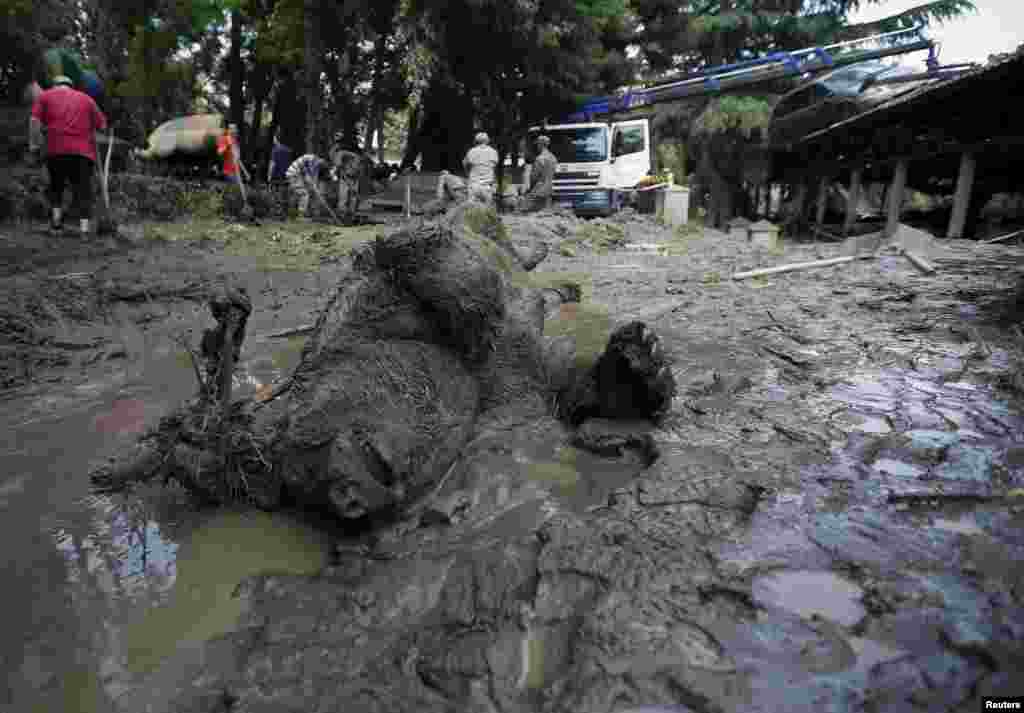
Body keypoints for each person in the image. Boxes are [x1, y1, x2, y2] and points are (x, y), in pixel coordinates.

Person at [28, 75, 107, 236]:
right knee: (83, 191)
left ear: (55, 85)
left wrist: (35, 146)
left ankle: (56, 225)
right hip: (83, 153)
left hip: (55, 150)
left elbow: (34, 121)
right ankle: (84, 230)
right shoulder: (87, 99)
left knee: (56, 187)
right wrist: (90, 126)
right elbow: (102, 125)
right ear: (71, 85)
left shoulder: (45, 96)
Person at [329, 134, 366, 219]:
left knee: (345, 196)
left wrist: (340, 175)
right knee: (350, 196)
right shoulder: (349, 153)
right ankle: (349, 213)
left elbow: (338, 166)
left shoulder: (340, 153)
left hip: (351, 175)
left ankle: (345, 214)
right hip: (351, 175)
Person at [285, 153, 330, 220]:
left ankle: (294, 214)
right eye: (324, 162)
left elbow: (313, 179)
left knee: (305, 193)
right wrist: (311, 184)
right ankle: (301, 216)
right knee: (304, 194)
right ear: (321, 158)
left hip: (299, 176)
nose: (323, 164)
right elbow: (306, 174)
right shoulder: (310, 158)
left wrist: (315, 188)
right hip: (294, 174)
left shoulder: (317, 165)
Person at [520, 134, 558, 212]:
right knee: (545, 212)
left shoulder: (539, 159)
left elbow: (534, 177)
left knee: (524, 210)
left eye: (538, 144)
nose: (537, 146)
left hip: (538, 190)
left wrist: (529, 190)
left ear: (541, 145)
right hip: (549, 189)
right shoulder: (553, 158)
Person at [462, 131, 499, 205]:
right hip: (488, 186)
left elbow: (464, 164)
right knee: (487, 211)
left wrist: (468, 174)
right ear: (488, 141)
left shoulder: (471, 151)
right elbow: (494, 169)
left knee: (472, 211)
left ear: (476, 141)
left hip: (474, 185)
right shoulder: (493, 152)